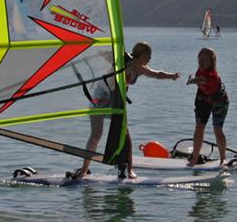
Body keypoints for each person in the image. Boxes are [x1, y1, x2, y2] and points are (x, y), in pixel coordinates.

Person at [74, 41, 180, 180]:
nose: (150, 58)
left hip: (116, 99)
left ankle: (129, 169)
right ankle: (84, 170)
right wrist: (97, 48)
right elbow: (103, 53)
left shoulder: (140, 68)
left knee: (125, 133)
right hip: (101, 96)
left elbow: (157, 74)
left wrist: (171, 76)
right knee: (96, 134)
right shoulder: (122, 59)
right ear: (141, 54)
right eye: (149, 55)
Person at [186, 47, 229, 167]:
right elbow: (199, 80)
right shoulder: (199, 70)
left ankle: (223, 159)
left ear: (212, 62)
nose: (201, 62)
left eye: (204, 60)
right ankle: (194, 158)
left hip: (220, 101)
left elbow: (202, 80)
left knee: (217, 129)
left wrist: (192, 81)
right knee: (199, 128)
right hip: (203, 100)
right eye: (199, 59)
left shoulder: (212, 75)